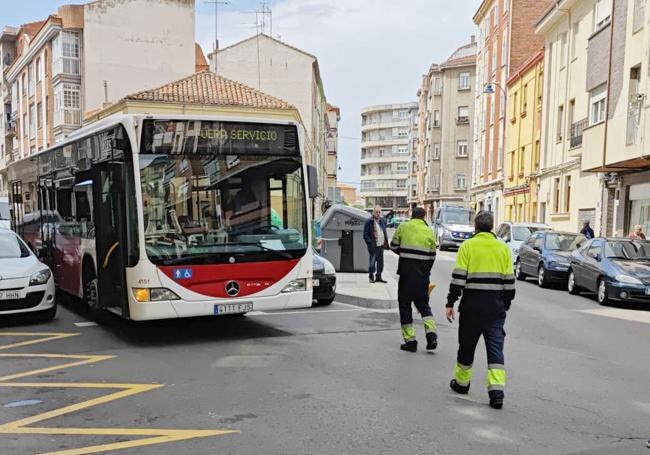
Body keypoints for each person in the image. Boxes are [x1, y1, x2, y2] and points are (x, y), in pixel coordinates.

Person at [446, 211, 515, 410]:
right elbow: (509, 284)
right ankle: (496, 393)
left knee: (466, 346)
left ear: (475, 227)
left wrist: (451, 302)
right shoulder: (503, 249)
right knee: (495, 350)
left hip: (471, 308)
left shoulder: (468, 246)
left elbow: (458, 278)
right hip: (495, 309)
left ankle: (461, 384)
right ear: (492, 227)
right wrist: (505, 305)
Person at [390, 207, 438, 352]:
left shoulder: (403, 227)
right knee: (424, 305)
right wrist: (425, 271)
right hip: (422, 277)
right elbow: (432, 256)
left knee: (405, 306)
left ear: (412, 215)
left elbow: (393, 246)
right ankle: (432, 335)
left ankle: (410, 342)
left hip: (406, 275)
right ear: (424, 217)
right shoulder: (429, 231)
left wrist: (404, 254)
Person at [363, 206, 389, 283]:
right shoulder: (369, 221)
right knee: (372, 263)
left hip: (381, 245)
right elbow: (365, 234)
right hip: (373, 246)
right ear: (373, 212)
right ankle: (371, 276)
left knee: (381, 263)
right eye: (376, 212)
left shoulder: (383, 221)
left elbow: (384, 232)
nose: (378, 214)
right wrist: (370, 243)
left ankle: (379, 276)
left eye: (379, 212)